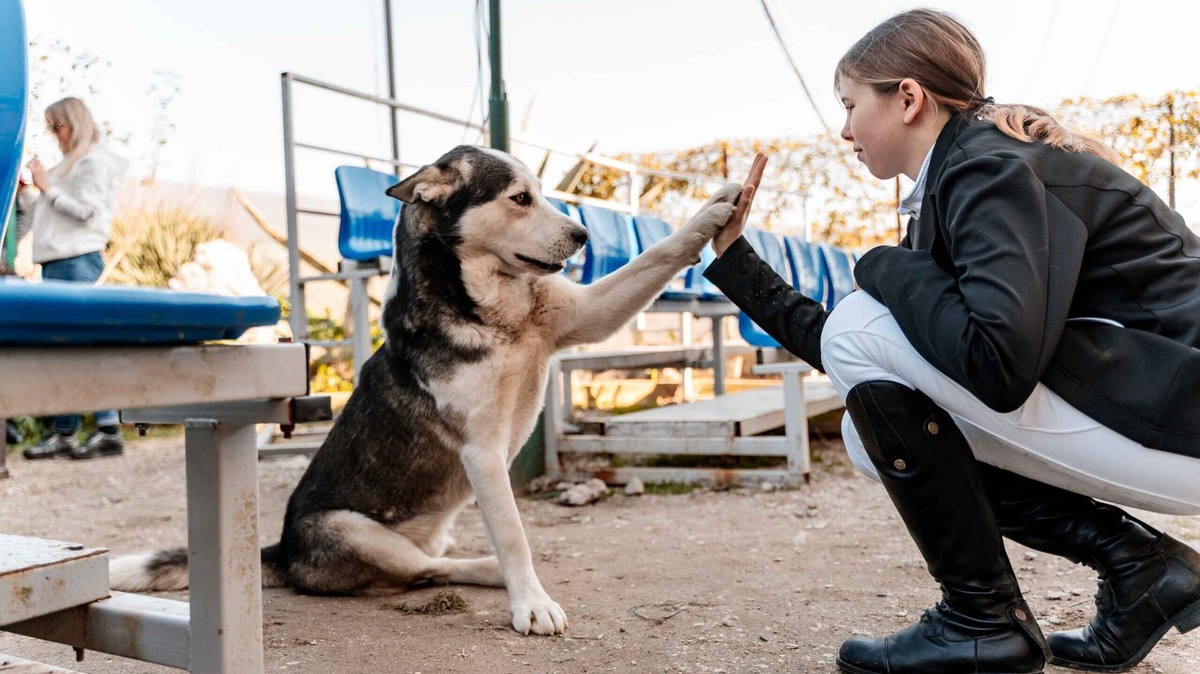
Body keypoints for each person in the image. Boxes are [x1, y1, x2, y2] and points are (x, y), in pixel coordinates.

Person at [705, 9, 1200, 674]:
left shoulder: (988, 169)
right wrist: (737, 261)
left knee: (865, 333)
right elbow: (873, 365)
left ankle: (982, 621)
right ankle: (1139, 565)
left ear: (908, 98)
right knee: (872, 427)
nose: (844, 130)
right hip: (1167, 414)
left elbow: (997, 367)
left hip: (1183, 416)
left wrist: (882, 265)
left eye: (850, 105)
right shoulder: (970, 171)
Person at [17, 96, 129, 461]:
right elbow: (51, 212)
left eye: (56, 126)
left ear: (74, 123)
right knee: (64, 350)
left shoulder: (93, 161)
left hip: (77, 260)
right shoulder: (70, 164)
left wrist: (46, 187)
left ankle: (107, 429)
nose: (53, 134)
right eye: (49, 127)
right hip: (57, 261)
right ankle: (66, 432)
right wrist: (28, 193)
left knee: (81, 348)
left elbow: (86, 212)